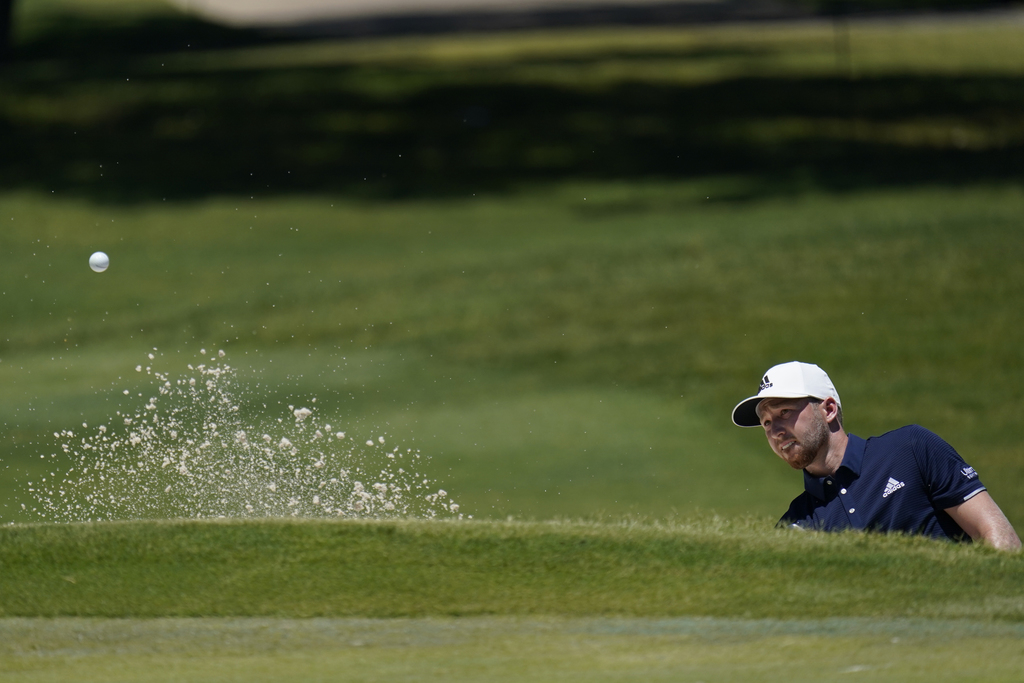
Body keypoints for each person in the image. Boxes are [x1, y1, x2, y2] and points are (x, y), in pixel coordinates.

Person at [731, 361, 1021, 551]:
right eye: (767, 422)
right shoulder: (794, 526)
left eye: (784, 413)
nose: (776, 431)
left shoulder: (910, 448)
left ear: (829, 410)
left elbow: (997, 535)